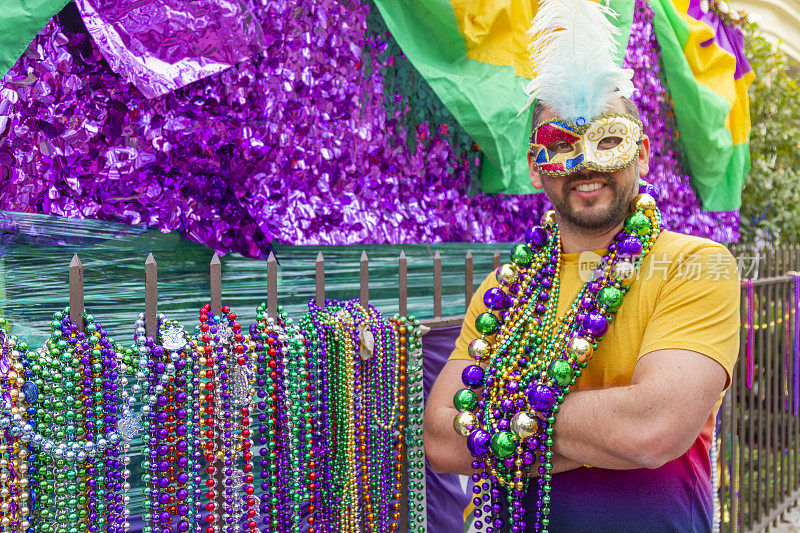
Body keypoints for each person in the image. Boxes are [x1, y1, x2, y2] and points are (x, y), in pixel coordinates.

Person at [422, 1, 740, 532]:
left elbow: (650, 430)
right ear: (533, 164)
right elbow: (440, 439)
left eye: (606, 140)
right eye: (561, 144)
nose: (585, 164)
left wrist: (500, 428)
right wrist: (594, 433)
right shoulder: (504, 290)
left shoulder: (695, 267)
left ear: (640, 152)